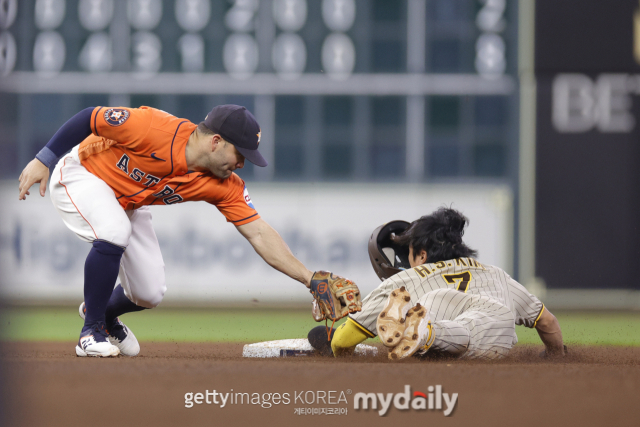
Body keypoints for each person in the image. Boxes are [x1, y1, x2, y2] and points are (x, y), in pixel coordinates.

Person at [18, 104, 354, 357]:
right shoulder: (152, 128)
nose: (241, 163)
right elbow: (90, 117)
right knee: (114, 230)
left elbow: (259, 233)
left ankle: (102, 313)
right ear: (216, 141)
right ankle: (90, 332)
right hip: (81, 174)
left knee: (149, 292)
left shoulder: (223, 184)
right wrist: (43, 159)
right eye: (240, 154)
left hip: (128, 202)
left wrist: (309, 279)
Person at [325, 207, 565, 360]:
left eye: (409, 253)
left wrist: (343, 353)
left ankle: (426, 333)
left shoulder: (406, 280)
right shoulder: (496, 274)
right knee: (464, 327)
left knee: (433, 305)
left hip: (450, 320)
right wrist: (555, 355)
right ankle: (425, 332)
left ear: (421, 256)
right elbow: (547, 322)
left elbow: (341, 341)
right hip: (499, 332)